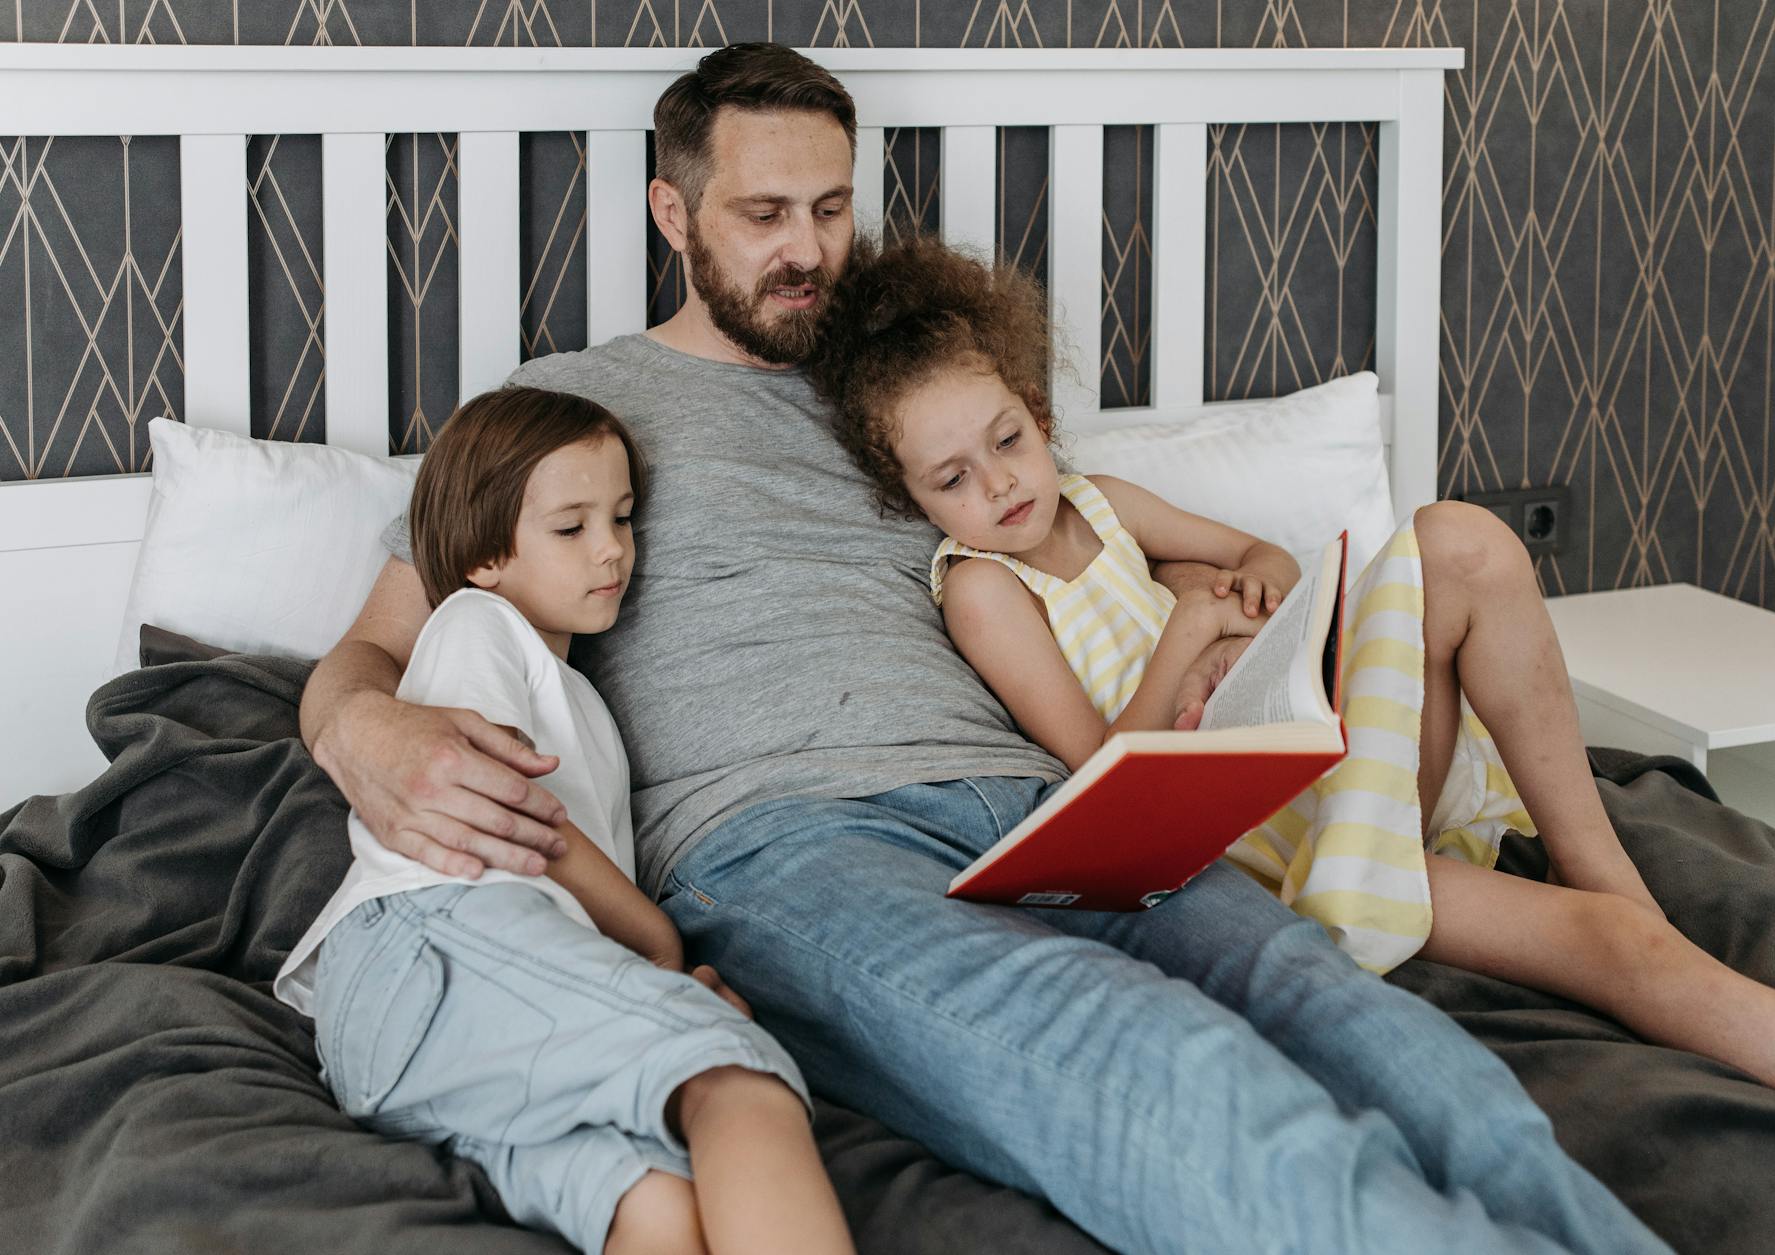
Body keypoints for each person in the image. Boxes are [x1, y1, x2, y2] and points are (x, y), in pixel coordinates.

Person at [300, 42, 1672, 1255]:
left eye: (831, 209)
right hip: (788, 843)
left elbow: (1097, 533)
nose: (806, 249)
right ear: (673, 212)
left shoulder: (907, 395)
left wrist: (1229, 599)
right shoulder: (570, 416)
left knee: (1390, 1043)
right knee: (1161, 1066)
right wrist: (370, 731)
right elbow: (371, 651)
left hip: (1052, 809)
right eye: (764, 213)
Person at [809, 233, 1775, 1121]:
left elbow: (1264, 558)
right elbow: (1098, 778)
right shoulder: (983, 591)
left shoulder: (1101, 501)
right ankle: (1651, 944)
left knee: (1457, 539)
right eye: (952, 477)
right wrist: (1184, 640)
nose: (997, 484)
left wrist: (1241, 615)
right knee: (1609, 950)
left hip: (1326, 770)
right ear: (911, 501)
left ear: (1039, 417)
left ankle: (1596, 861)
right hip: (1270, 857)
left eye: (1007, 440)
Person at [277, 387, 855, 1255]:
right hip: (436, 935)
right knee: (738, 1077)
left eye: (622, 519)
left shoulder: (581, 697)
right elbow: (513, 814)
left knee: (655, 1197)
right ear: (482, 557)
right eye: (571, 527)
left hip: (411, 1030)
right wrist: (660, 951)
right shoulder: (478, 625)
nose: (612, 550)